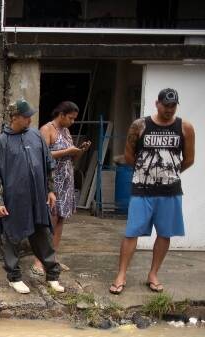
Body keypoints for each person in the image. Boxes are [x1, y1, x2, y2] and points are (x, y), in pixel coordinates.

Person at [109, 88, 195, 294]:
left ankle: (153, 274)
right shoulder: (140, 126)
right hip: (142, 189)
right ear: (157, 104)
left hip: (170, 191)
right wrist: (147, 173)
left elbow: (189, 159)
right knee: (132, 232)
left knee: (165, 233)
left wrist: (169, 174)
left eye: (173, 106)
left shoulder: (185, 127)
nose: (169, 110)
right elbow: (129, 157)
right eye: (166, 105)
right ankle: (121, 275)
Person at [0, 99, 65, 294]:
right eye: (26, 116)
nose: (30, 120)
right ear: (14, 117)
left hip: (37, 198)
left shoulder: (36, 136)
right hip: (14, 200)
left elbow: (48, 165)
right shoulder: (0, 142)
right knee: (11, 238)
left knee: (42, 236)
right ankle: (14, 277)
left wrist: (51, 190)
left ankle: (52, 275)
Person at [31, 101, 91, 275]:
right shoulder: (47, 129)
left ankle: (52, 258)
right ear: (62, 114)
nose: (72, 122)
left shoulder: (65, 131)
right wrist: (67, 152)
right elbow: (42, 155)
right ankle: (39, 260)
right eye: (70, 118)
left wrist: (79, 151)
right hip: (52, 181)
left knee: (61, 218)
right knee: (50, 220)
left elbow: (70, 157)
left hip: (66, 179)